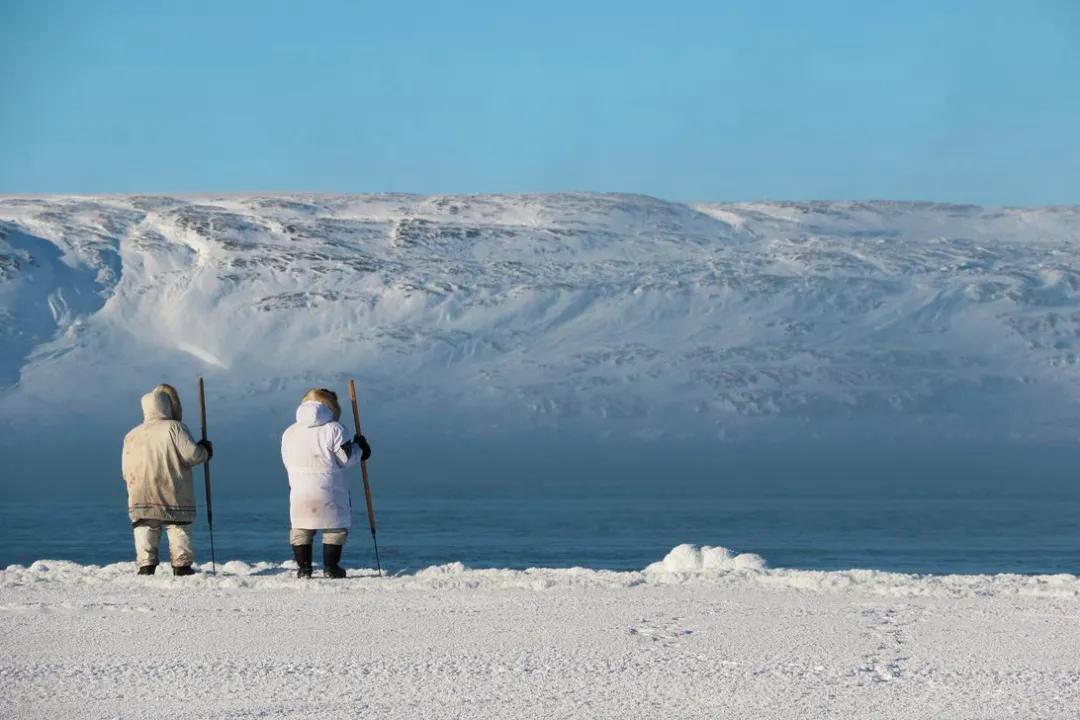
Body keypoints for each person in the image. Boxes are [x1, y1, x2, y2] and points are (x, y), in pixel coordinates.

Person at [121, 385, 213, 576]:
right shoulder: (174, 428)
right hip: (171, 489)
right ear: (167, 406)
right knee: (178, 527)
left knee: (145, 528)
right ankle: (181, 567)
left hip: (140, 492)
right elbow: (193, 455)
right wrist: (205, 450)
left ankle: (146, 566)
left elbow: (125, 468)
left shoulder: (131, 435)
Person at [281, 388, 371, 579]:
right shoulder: (334, 429)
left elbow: (286, 460)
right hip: (329, 487)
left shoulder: (290, 431)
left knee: (301, 527)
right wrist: (360, 448)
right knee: (334, 526)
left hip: (299, 488)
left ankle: (304, 568)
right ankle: (331, 567)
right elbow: (345, 459)